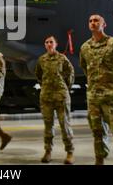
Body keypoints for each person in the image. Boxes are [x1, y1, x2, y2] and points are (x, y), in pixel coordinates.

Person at [79, 14, 113, 165]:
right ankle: (100, 159)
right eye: (90, 21)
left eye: (97, 20)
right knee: (97, 131)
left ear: (104, 24)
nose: (93, 23)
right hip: (94, 97)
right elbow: (86, 68)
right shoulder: (85, 47)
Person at [35, 35, 75, 164]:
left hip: (61, 96)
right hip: (46, 97)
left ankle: (69, 152)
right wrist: (46, 86)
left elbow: (70, 74)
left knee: (65, 125)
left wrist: (64, 87)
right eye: (46, 42)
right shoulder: (42, 60)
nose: (49, 44)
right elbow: (39, 75)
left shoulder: (62, 59)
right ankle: (48, 151)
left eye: (51, 42)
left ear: (56, 44)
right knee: (48, 126)